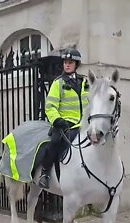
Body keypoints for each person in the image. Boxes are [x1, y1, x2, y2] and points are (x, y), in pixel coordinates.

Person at [38, 48, 90, 189]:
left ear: (76, 64)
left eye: (70, 62)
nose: (67, 65)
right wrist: (57, 120)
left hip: (84, 124)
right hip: (65, 124)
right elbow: (50, 106)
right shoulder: (58, 83)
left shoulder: (85, 82)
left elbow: (91, 102)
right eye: (65, 62)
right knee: (54, 142)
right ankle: (45, 173)